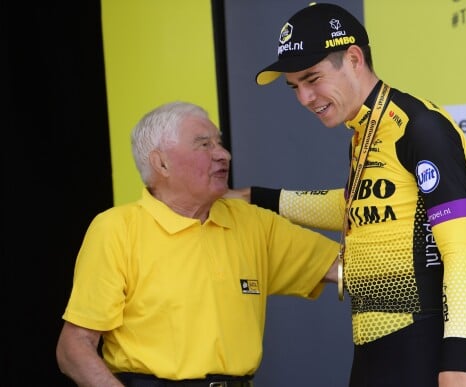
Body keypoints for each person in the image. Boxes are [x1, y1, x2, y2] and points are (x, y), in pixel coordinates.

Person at [229, 3, 466, 387]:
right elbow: (354, 206)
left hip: (424, 345)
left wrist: (455, 362)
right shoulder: (364, 133)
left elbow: (461, 252)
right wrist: (256, 197)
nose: (304, 98)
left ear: (353, 58)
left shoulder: (420, 127)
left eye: (312, 79)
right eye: (295, 87)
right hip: (372, 347)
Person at [56, 101, 340, 386]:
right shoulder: (118, 228)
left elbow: (345, 269)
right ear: (161, 163)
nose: (224, 155)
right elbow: (74, 348)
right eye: (204, 145)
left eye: (219, 143)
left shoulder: (250, 222)